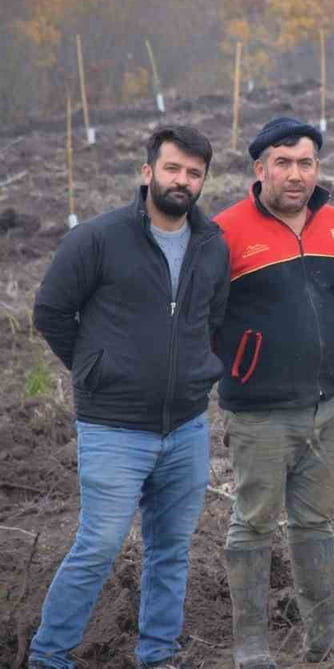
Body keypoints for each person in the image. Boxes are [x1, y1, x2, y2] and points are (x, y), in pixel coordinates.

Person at [28, 126, 229, 669]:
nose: (182, 180)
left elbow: (214, 318)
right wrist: (96, 369)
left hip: (186, 427)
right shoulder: (98, 238)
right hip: (114, 428)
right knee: (97, 547)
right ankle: (49, 656)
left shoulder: (212, 246)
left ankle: (158, 654)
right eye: (173, 169)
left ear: (203, 179)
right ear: (148, 173)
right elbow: (50, 311)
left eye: (194, 173)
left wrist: (192, 374)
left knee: (171, 551)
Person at [213, 117, 334, 668]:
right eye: (283, 163)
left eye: (305, 163)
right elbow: (207, 317)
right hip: (261, 411)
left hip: (330, 405)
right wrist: (239, 368)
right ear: (260, 170)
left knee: (315, 521)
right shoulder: (224, 231)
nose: (295, 174)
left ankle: (325, 635)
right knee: (252, 522)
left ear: (317, 168)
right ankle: (251, 644)